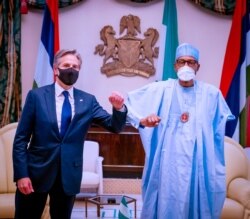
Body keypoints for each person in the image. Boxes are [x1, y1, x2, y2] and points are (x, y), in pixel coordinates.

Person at [12, 49, 127, 219]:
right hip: (36, 174)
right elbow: (21, 140)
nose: (71, 69)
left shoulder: (88, 101)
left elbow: (114, 126)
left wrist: (119, 109)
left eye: (75, 66)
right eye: (66, 65)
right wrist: (21, 174)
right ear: (56, 70)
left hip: (68, 176)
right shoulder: (36, 96)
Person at [125, 43, 234, 219]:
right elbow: (128, 105)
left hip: (198, 163)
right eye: (181, 61)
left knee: (196, 202)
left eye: (191, 62)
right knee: (166, 201)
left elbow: (219, 127)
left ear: (198, 66)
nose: (186, 66)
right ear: (175, 65)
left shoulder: (211, 94)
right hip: (167, 162)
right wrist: (144, 119)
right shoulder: (160, 89)